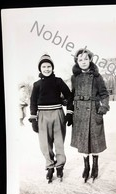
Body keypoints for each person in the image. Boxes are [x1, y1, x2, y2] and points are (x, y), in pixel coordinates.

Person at [29, 54, 73, 183]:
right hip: (42, 116)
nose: (46, 69)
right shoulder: (37, 84)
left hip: (57, 114)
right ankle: (49, 167)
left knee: (59, 142)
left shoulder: (58, 81)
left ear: (52, 68)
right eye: (44, 66)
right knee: (45, 144)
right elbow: (33, 102)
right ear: (40, 68)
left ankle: (59, 166)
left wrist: (69, 113)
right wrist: (33, 119)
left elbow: (69, 96)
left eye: (49, 66)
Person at [70, 48, 110, 183]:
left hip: (93, 112)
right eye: (80, 59)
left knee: (94, 141)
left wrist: (104, 106)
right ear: (77, 61)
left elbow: (104, 94)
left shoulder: (97, 77)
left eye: (86, 59)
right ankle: (86, 167)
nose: (83, 62)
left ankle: (95, 166)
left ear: (90, 60)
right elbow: (72, 94)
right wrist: (69, 109)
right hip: (80, 113)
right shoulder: (74, 77)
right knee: (83, 142)